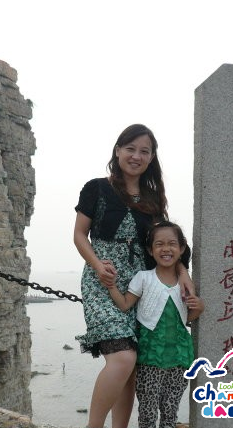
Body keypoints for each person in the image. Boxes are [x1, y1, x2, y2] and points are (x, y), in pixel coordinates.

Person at [73, 124, 194, 428]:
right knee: (123, 358)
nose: (136, 156)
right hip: (103, 281)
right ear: (118, 150)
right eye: (130, 149)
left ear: (151, 157)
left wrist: (183, 273)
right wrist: (98, 265)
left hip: (141, 286)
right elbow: (79, 235)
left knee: (131, 367)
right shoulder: (96, 188)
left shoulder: (153, 200)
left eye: (144, 151)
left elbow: (168, 244)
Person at [105, 221, 204, 428]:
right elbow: (125, 304)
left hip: (179, 357)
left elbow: (186, 318)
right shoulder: (143, 278)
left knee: (170, 412)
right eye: (159, 244)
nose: (166, 249)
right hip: (150, 357)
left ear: (181, 248)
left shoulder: (186, 283)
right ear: (150, 250)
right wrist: (112, 286)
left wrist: (199, 307)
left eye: (172, 244)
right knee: (147, 413)